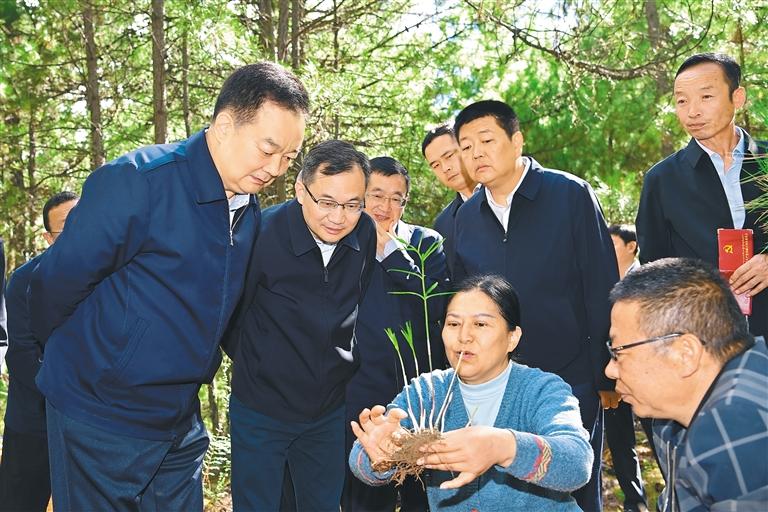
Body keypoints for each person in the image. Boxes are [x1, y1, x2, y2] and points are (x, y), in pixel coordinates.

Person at [27, 62, 309, 511]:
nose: (275, 168)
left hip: (178, 422)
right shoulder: (139, 182)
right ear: (224, 126)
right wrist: (100, 368)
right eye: (268, 149)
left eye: (289, 158)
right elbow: (51, 286)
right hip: (100, 417)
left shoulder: (246, 208)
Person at [450, 99, 618, 511]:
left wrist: (606, 372)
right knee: (507, 493)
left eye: (487, 140)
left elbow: (601, 286)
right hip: (499, 383)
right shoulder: (466, 218)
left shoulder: (569, 194)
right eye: (466, 147)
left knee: (573, 487)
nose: (477, 154)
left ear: (517, 141)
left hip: (571, 376)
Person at [349, 274, 593, 511]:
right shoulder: (428, 392)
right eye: (453, 324)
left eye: (480, 324)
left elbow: (577, 463)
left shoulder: (541, 389)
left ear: (512, 338)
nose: (464, 336)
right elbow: (360, 460)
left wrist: (502, 446)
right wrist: (382, 453)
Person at [226, 140, 376, 512]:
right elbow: (231, 316)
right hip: (261, 407)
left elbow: (358, 299)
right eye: (326, 202)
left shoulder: (365, 231)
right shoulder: (260, 234)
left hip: (327, 409)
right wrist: (262, 364)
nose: (338, 217)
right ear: (300, 191)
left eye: (352, 204)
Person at [605, 257, 768, 511]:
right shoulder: (672, 415)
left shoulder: (734, 427)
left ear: (685, 353)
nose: (610, 370)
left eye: (619, 351)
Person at [342, 156, 450, 512]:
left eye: (395, 198)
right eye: (376, 195)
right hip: (357, 392)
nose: (384, 207)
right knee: (364, 495)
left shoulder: (426, 242)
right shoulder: (341, 242)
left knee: (423, 494)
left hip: (417, 395)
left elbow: (436, 304)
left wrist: (389, 250)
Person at [636, 52, 767, 338]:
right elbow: (654, 270)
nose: (692, 111)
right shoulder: (662, 180)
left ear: (737, 97)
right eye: (682, 101)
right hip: (706, 338)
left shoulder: (766, 159)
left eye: (706, 97)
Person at [0, 192, 78, 512]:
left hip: (92, 427)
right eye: (66, 227)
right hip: (34, 420)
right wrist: (70, 393)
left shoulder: (113, 275)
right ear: (48, 238)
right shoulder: (24, 281)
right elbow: (21, 355)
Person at [604, 224, 650, 512]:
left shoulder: (648, 279)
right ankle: (636, 503)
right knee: (621, 442)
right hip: (614, 377)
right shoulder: (603, 280)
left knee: (659, 437)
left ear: (631, 246)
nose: (606, 250)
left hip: (648, 375)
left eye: (613, 244)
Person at [422, 124, 477, 273]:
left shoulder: (505, 193)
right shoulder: (443, 224)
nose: (445, 168)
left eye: (449, 156)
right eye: (436, 165)